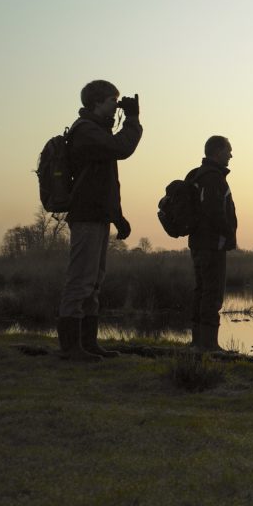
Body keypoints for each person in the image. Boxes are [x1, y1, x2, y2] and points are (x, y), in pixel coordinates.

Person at [57, 80, 143, 361]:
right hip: (86, 216)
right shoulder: (86, 132)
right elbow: (122, 147)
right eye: (112, 101)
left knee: (93, 282)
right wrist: (132, 120)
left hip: (97, 215)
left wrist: (117, 217)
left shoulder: (96, 132)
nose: (115, 106)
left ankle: (88, 344)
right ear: (96, 102)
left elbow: (105, 183)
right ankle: (71, 349)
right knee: (80, 280)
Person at [187, 135, 238, 352]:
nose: (231, 155)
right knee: (212, 293)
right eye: (228, 150)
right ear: (218, 152)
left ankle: (198, 342)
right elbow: (214, 211)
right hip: (211, 244)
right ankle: (209, 345)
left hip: (199, 243)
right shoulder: (213, 177)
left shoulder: (197, 174)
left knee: (202, 291)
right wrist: (229, 232)